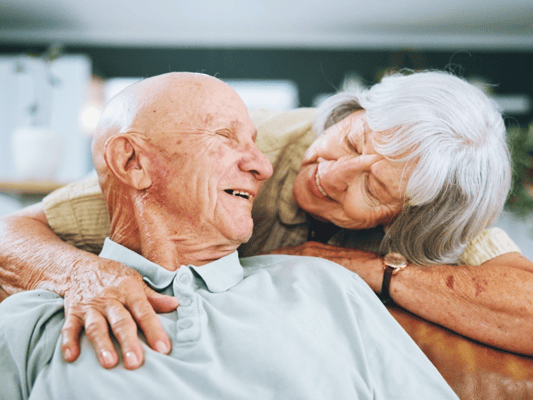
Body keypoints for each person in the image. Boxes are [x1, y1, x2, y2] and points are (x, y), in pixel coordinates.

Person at [1, 71, 533, 367]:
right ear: (350, 114)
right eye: (350, 140)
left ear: (407, 221)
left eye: (371, 188)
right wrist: (81, 273)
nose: (331, 173)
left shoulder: (434, 204)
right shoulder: (238, 150)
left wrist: (383, 272)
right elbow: (12, 230)